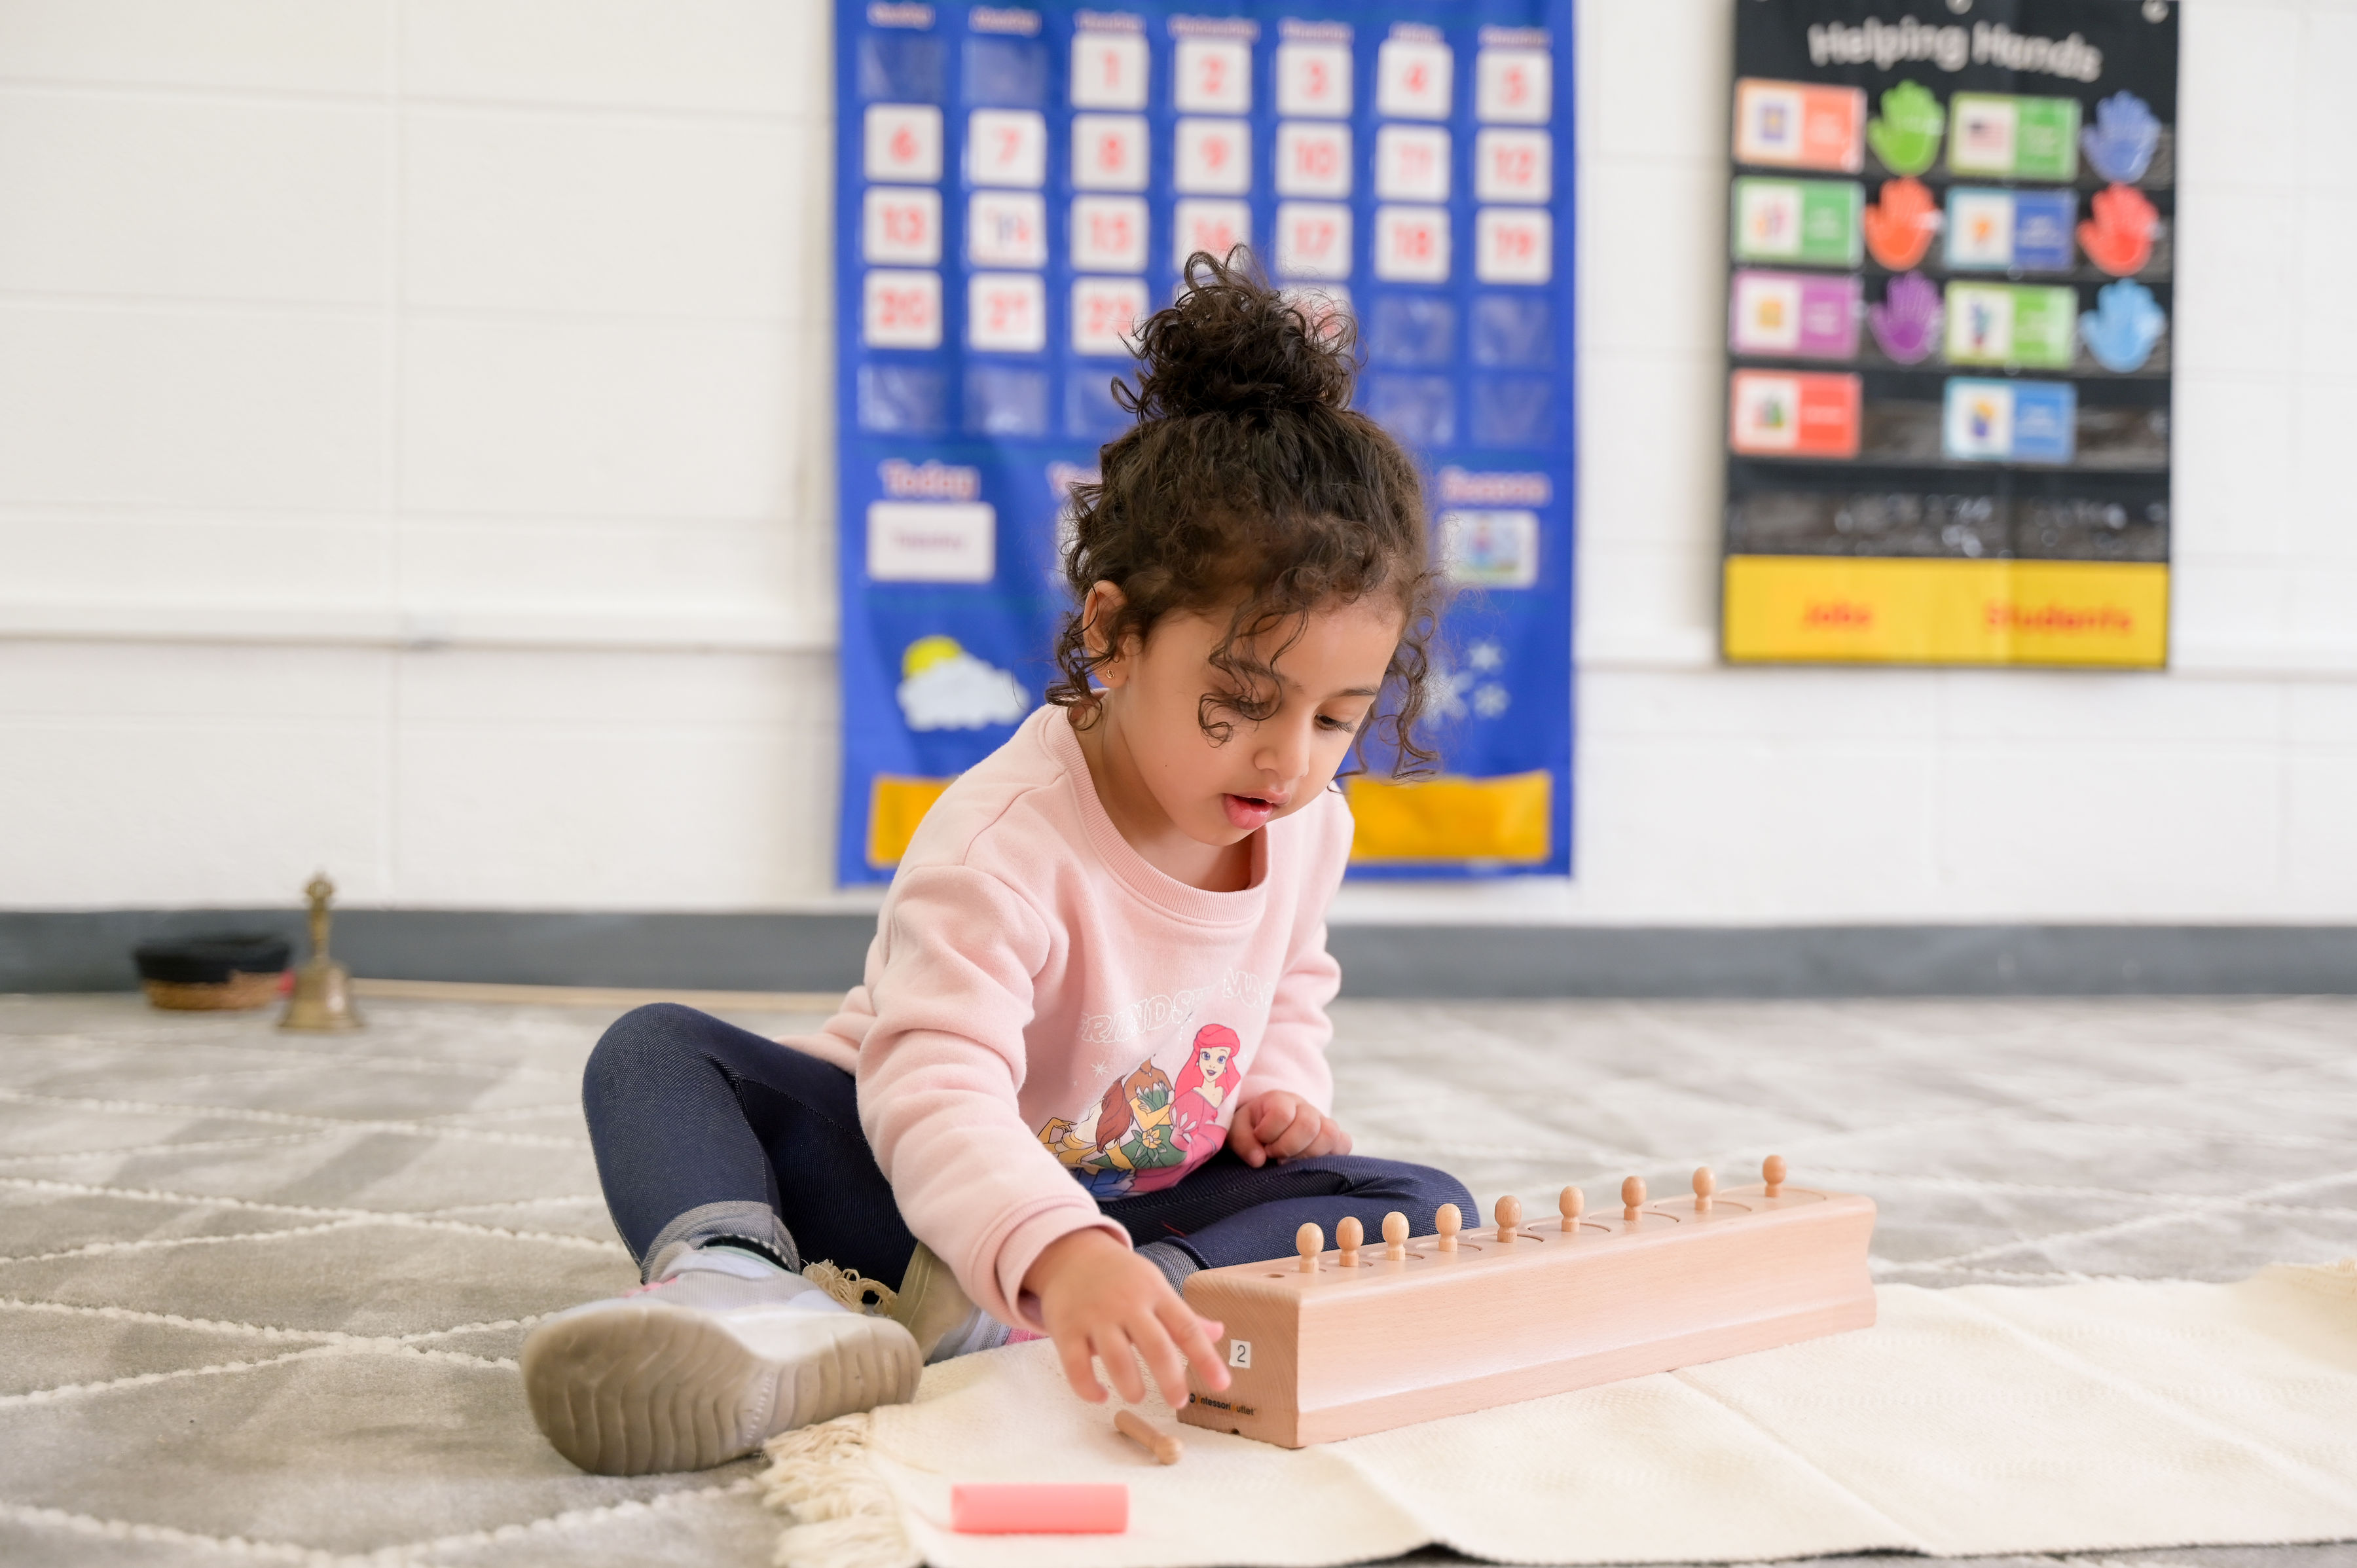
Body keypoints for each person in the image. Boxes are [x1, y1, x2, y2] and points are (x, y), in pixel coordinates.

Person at [520, 251, 1472, 1476]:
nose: (1289, 761)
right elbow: (932, 1086)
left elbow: (1292, 978)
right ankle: (740, 1294)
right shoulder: (1002, 838)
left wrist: (1275, 1091)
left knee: (1422, 1205)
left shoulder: (1305, 825)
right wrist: (1051, 1245)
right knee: (653, 1052)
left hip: (1130, 1206)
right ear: (1115, 635)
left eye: (1337, 719)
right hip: (900, 1188)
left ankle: (1128, 1300)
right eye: (1239, 701)